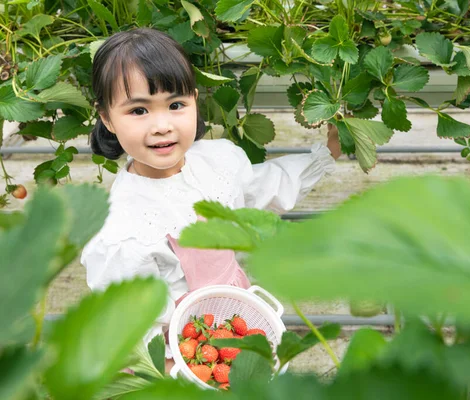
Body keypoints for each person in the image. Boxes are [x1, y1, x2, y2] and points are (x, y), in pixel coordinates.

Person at [80, 28, 340, 366]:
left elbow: (268, 186)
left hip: (237, 323)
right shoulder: (120, 231)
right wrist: (176, 371)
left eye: (176, 105)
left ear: (195, 101)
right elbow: (127, 326)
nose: (162, 125)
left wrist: (327, 152)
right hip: (184, 355)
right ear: (106, 118)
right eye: (139, 111)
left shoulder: (218, 161)